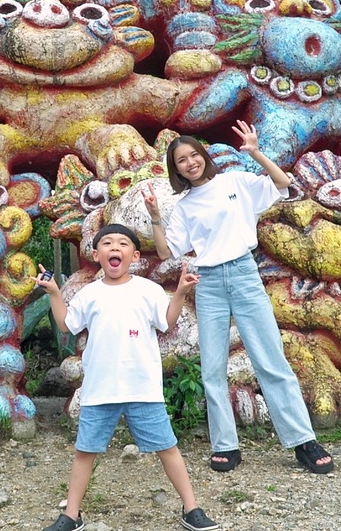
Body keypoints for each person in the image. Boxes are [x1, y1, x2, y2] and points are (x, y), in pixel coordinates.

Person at [144, 120, 334, 475]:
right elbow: (167, 251)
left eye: (193, 155)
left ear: (203, 156)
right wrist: (156, 217)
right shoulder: (184, 206)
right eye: (181, 160)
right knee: (213, 368)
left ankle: (303, 441)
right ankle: (225, 445)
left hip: (245, 273)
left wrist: (255, 152)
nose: (189, 163)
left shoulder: (235, 181)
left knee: (270, 360)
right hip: (210, 282)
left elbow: (283, 183)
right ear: (177, 170)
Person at [35, 224, 219, 531]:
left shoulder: (148, 289)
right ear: (96, 254)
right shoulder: (89, 293)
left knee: (167, 447)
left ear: (134, 256)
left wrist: (181, 292)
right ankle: (71, 515)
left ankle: (192, 508)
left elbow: (167, 321)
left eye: (123, 243)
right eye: (107, 243)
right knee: (85, 452)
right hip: (99, 389)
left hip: (142, 388)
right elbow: (66, 324)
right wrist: (54, 292)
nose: (115, 248)